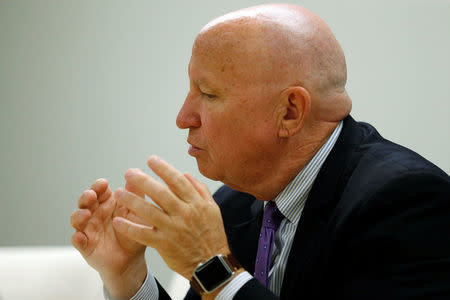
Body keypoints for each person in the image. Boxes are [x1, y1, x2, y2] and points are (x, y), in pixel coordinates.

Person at [70, 4, 450, 300]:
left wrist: (212, 267)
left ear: (289, 112)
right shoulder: (235, 205)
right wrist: (127, 278)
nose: (183, 117)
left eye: (208, 94)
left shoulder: (405, 203)